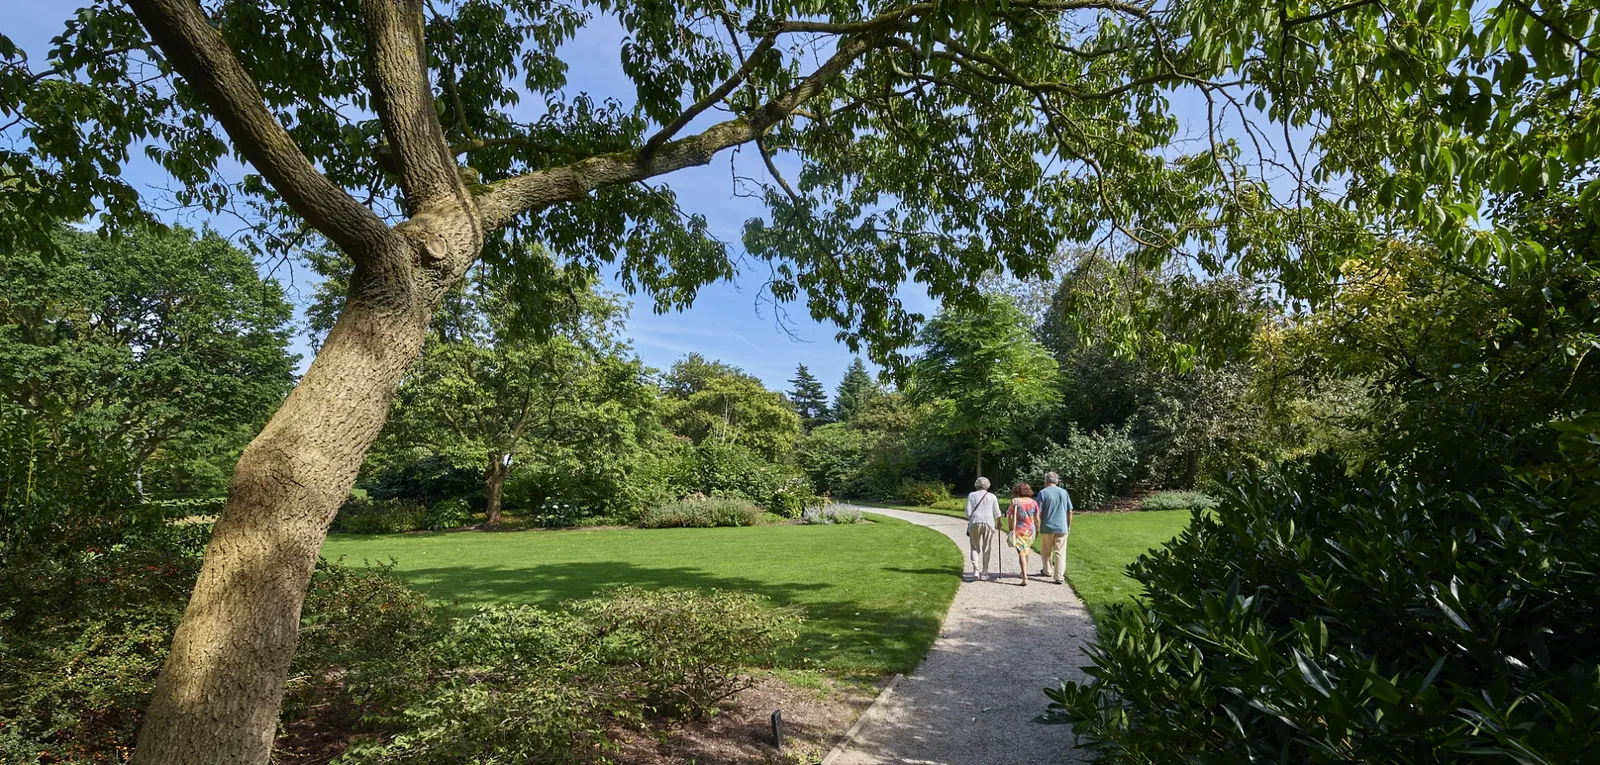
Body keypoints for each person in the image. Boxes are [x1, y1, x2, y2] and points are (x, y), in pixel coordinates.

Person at [1036, 471, 1074, 585]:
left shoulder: (1042, 493)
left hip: (1047, 526)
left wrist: (1037, 525)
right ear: (1056, 481)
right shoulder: (1064, 492)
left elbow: (1038, 512)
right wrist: (1068, 525)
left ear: (1046, 481)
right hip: (1062, 526)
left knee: (1046, 550)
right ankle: (1059, 576)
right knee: (1060, 552)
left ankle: (1047, 570)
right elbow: (1069, 511)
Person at [965, 477, 1001, 580]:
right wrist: (999, 522)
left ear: (976, 485)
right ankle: (984, 573)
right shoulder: (992, 496)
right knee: (987, 548)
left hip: (975, 522)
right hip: (988, 523)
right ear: (987, 485)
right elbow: (997, 512)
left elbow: (968, 513)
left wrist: (972, 518)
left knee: (974, 547)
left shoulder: (971, 495)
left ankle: (976, 570)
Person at [1008, 482, 1041, 586]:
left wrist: (1010, 529)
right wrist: (1038, 529)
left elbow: (1010, 517)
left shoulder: (1015, 501)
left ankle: (1025, 576)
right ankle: (1023, 572)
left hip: (1019, 530)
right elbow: (1037, 518)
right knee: (1026, 550)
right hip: (1030, 530)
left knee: (1021, 552)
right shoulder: (1033, 502)